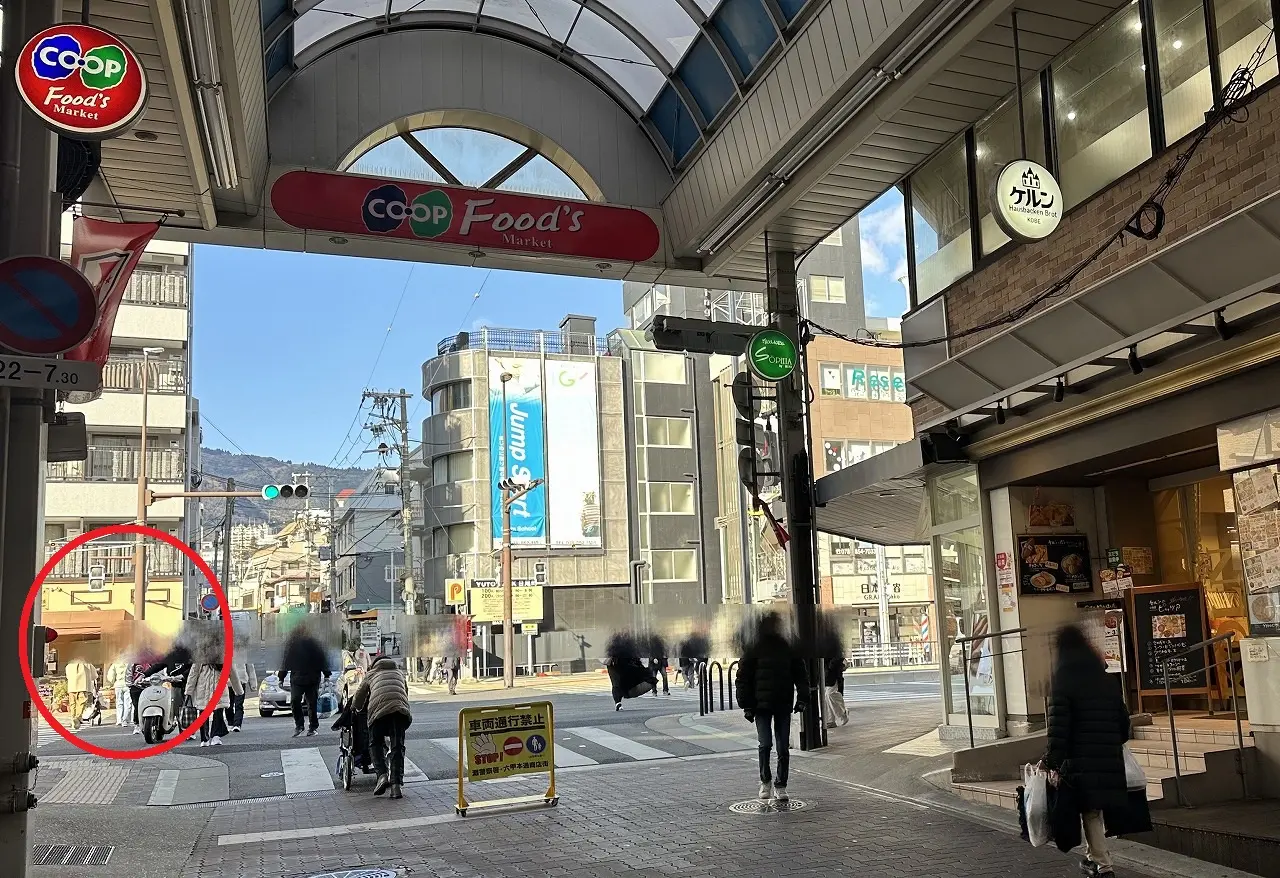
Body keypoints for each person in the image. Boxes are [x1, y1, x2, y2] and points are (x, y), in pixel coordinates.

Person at [1044, 624, 1131, 878]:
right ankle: (1095, 859)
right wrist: (1112, 743)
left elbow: (1059, 727)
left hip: (1079, 758)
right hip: (1107, 754)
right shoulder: (1107, 681)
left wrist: (1052, 758)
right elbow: (1123, 722)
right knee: (1094, 809)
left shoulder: (1063, 682)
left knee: (1089, 810)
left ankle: (1103, 865)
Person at [735, 612, 808, 803]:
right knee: (765, 744)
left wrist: (802, 698)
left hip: (782, 703)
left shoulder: (787, 646)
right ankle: (765, 781)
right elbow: (743, 678)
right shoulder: (755, 648)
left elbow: (801, 675)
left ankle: (781, 785)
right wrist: (747, 705)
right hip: (761, 705)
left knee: (783, 747)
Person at [351, 653, 413, 799]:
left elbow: (359, 697)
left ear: (375, 664)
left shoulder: (371, 673)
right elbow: (405, 693)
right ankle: (396, 786)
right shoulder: (399, 673)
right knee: (397, 747)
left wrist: (355, 707)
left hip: (378, 713)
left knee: (375, 743)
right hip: (399, 711)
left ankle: (382, 775)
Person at [279, 629, 331, 737]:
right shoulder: (292, 645)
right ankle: (299, 725)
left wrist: (326, 675)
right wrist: (281, 677)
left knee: (312, 704)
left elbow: (322, 659)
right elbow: (286, 662)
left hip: (312, 678)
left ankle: (313, 727)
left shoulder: (315, 644)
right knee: (295, 700)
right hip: (297, 678)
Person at [190, 661, 242, 746]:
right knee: (204, 712)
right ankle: (205, 738)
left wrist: (238, 690)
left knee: (218, 712)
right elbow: (194, 673)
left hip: (217, 687)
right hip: (204, 688)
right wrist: (189, 691)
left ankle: (215, 736)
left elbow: (232, 672)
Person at [228, 638, 258, 732]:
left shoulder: (244, 653)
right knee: (228, 705)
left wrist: (253, 684)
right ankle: (231, 722)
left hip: (241, 680)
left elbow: (250, 668)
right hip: (228, 682)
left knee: (238, 704)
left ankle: (237, 724)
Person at [64, 657, 97, 732]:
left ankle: (73, 718)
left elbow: (67, 676)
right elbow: (94, 676)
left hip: (72, 687)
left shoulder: (69, 665)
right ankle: (78, 717)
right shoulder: (88, 664)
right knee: (81, 703)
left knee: (72, 704)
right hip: (83, 686)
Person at [105, 656, 131, 727]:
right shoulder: (130, 662)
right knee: (128, 703)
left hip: (118, 685)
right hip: (127, 685)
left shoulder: (115, 663)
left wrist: (111, 683)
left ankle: (119, 719)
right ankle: (124, 720)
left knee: (119, 703)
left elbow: (111, 676)